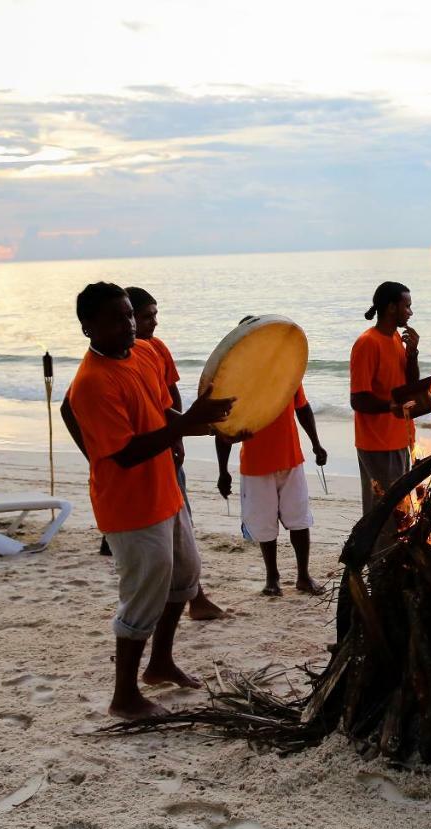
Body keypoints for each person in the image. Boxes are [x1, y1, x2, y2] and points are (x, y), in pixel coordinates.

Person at [66, 281, 234, 719]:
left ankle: (160, 663)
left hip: (165, 491)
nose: (128, 325)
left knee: (184, 577)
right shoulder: (92, 383)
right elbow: (125, 453)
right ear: (88, 328)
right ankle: (124, 697)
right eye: (115, 319)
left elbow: (163, 413)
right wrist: (185, 426)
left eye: (129, 315)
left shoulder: (141, 353)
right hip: (130, 506)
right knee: (142, 595)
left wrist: (210, 424)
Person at [123, 287, 226, 620]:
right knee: (161, 542)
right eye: (145, 316)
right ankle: (192, 600)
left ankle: (196, 598)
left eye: (155, 314)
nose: (153, 321)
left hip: (167, 446)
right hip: (143, 459)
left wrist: (179, 437)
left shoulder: (156, 349)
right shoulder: (117, 360)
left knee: (183, 525)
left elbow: (169, 396)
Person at [214, 383, 327, 596]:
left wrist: (316, 443)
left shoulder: (288, 372)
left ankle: (303, 576)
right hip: (256, 465)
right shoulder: (240, 379)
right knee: (265, 524)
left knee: (300, 520)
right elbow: (225, 428)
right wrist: (223, 470)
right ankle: (272, 577)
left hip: (290, 459)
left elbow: (302, 408)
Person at [349, 281, 420, 551]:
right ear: (391, 307)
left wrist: (412, 354)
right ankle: (379, 572)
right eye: (407, 306)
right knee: (383, 514)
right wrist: (389, 407)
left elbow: (408, 388)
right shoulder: (367, 343)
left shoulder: (395, 340)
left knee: (400, 510)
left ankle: (393, 565)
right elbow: (358, 398)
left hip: (400, 438)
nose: (410, 312)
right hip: (377, 444)